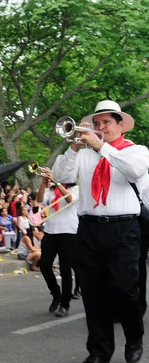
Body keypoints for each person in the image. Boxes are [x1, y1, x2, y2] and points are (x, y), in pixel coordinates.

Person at [53, 100, 148, 363]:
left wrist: (102, 147)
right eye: (96, 123)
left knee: (124, 290)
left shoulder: (136, 151)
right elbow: (60, 175)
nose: (100, 127)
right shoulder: (84, 153)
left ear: (120, 125)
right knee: (93, 293)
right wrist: (74, 146)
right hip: (89, 228)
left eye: (106, 122)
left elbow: (135, 170)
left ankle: (134, 338)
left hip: (123, 228)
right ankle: (99, 351)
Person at [36, 172, 79, 318]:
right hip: (50, 231)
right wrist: (43, 183)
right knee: (44, 265)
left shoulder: (76, 189)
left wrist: (57, 183)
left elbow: (69, 199)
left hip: (68, 232)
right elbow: (39, 200)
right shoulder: (50, 190)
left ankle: (65, 304)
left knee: (65, 269)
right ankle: (56, 294)